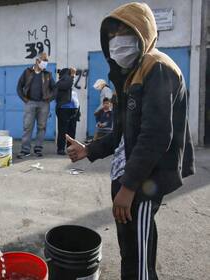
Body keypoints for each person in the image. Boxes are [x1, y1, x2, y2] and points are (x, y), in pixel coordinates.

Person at [66, 3, 195, 280]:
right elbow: (122, 133)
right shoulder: (129, 75)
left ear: (143, 33)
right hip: (130, 178)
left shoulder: (157, 68)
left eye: (125, 33)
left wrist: (129, 187)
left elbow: (156, 136)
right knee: (130, 250)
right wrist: (88, 149)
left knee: (139, 258)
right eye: (112, 36)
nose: (117, 42)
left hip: (146, 181)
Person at [16, 52, 55, 158]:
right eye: (44, 60)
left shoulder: (48, 74)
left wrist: (49, 99)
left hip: (44, 104)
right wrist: (25, 99)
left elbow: (55, 88)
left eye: (47, 60)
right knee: (27, 126)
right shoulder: (27, 72)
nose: (46, 62)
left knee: (41, 127)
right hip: (30, 103)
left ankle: (38, 149)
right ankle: (25, 150)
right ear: (37, 61)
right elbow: (19, 86)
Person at [55, 67, 79, 155]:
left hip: (72, 110)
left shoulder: (69, 84)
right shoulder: (60, 83)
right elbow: (67, 84)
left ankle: (70, 148)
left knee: (72, 130)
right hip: (63, 109)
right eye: (69, 74)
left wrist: (78, 113)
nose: (71, 76)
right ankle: (60, 148)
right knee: (62, 130)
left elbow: (75, 100)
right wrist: (72, 76)